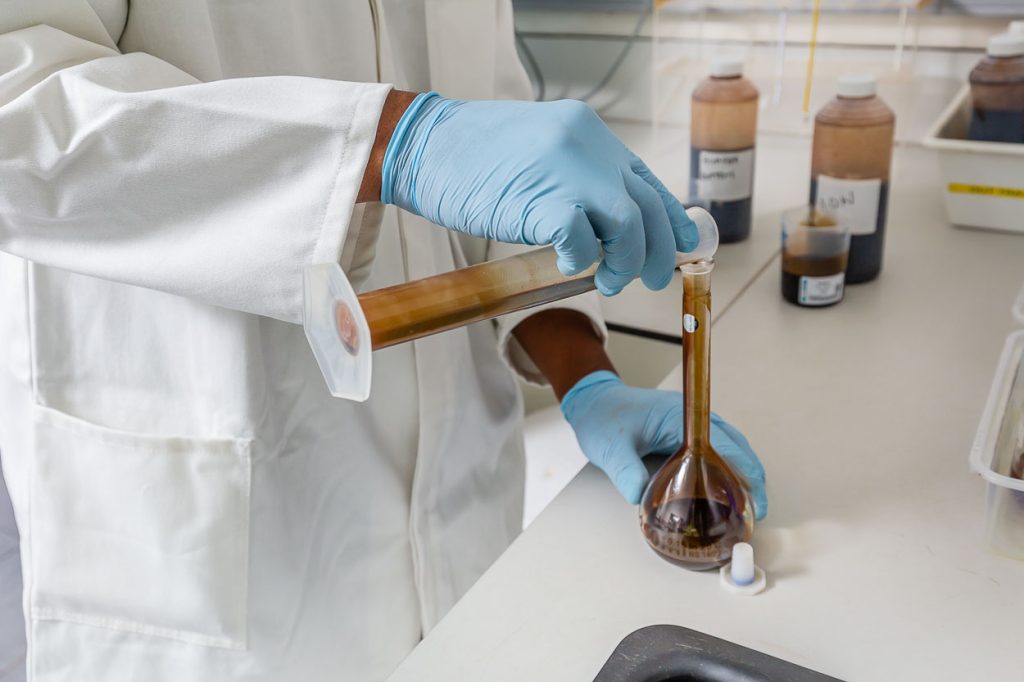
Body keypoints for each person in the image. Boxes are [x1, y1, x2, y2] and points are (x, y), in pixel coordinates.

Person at [0, 2, 767, 680]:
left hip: (471, 528)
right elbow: (19, 111)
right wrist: (387, 143)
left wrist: (588, 379)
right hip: (225, 543)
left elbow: (503, 175)